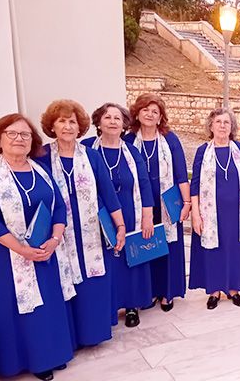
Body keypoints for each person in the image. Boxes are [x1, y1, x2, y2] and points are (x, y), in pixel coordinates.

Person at [0, 114, 73, 381]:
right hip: (6, 257)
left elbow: (59, 207)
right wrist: (21, 249)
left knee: (46, 307)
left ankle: (49, 356)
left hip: (45, 251)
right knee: (15, 309)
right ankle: (18, 362)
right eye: (12, 133)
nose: (19, 139)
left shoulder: (40, 170)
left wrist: (54, 239)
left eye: (25, 134)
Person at [38, 99, 125, 349]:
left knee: (93, 283)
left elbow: (108, 194)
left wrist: (120, 227)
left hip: (92, 235)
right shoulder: (41, 156)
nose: (67, 127)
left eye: (72, 122)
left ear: (80, 127)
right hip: (58, 233)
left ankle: (93, 333)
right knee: (64, 282)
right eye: (62, 121)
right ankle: (71, 337)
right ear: (52, 126)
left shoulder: (92, 156)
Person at [82, 103, 155, 327]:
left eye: (117, 118)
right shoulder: (86, 149)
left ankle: (131, 305)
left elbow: (144, 184)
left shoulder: (132, 151)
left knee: (131, 260)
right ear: (98, 122)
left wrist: (147, 218)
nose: (113, 122)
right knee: (106, 260)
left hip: (130, 211)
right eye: (107, 117)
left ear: (124, 124)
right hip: (98, 213)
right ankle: (109, 305)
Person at [123, 93, 191, 312]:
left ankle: (167, 292)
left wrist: (187, 202)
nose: (150, 114)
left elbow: (181, 174)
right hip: (139, 203)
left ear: (161, 117)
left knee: (167, 248)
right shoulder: (128, 141)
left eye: (155, 112)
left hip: (167, 203)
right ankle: (148, 291)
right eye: (145, 110)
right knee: (145, 246)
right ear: (137, 114)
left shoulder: (170, 139)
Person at [189, 108, 240, 309]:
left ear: (232, 127)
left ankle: (233, 289)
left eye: (226, 122)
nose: (222, 125)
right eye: (218, 122)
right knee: (214, 251)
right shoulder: (203, 151)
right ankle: (214, 290)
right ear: (211, 126)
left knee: (235, 250)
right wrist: (195, 214)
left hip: (238, 213)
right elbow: (195, 184)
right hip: (211, 212)